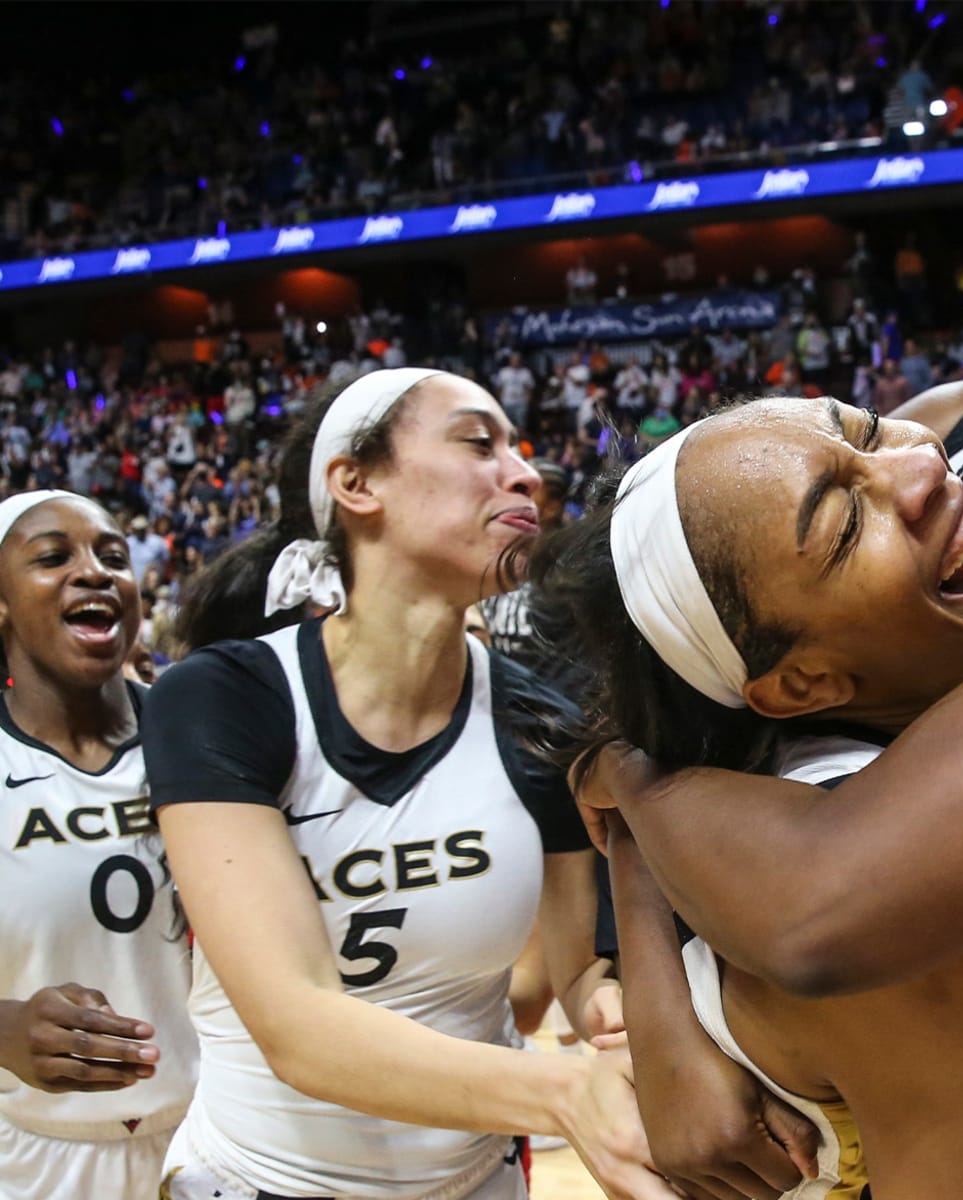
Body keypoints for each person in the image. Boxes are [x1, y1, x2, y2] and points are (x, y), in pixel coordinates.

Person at [574, 26, 963, 1200]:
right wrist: (659, 1005)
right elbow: (676, 710)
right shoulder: (940, 436)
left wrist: (629, 780)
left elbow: (824, 907)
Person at [533, 399, 963, 1197]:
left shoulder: (869, 785)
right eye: (842, 525)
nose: (924, 466)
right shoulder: (889, 921)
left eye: (864, 430)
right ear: (804, 685)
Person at [142, 369, 670, 1200]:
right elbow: (298, 1028)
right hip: (257, 1181)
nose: (527, 472)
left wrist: (612, 1011)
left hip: (475, 1180)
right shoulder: (223, 698)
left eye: (521, 450)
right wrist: (569, 1092)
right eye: (477, 443)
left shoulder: (539, 720)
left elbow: (568, 978)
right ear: (355, 483)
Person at [0, 490, 196, 1199]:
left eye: (113, 557)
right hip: (37, 1155)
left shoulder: (207, 732)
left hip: (226, 1139)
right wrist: (6, 1029)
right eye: (53, 558)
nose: (95, 572)